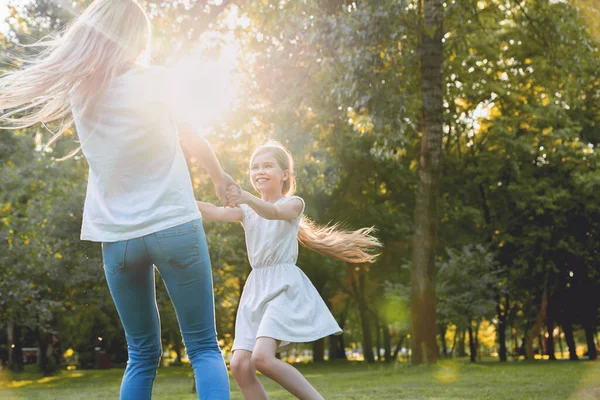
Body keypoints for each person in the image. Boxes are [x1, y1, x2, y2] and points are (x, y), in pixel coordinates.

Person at [0, 1, 232, 398]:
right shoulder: (158, 79)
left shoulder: (79, 92)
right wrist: (219, 176)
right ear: (136, 38)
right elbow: (193, 137)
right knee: (204, 348)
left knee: (141, 355)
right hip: (175, 224)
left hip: (118, 239)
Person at [197, 141, 381, 400]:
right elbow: (215, 211)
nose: (259, 171)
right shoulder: (247, 211)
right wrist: (182, 200)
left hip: (283, 286)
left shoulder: (294, 204)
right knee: (239, 365)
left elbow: (273, 212)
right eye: (255, 167)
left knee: (261, 358)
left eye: (267, 166)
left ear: (285, 175)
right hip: (256, 288)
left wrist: (244, 196)